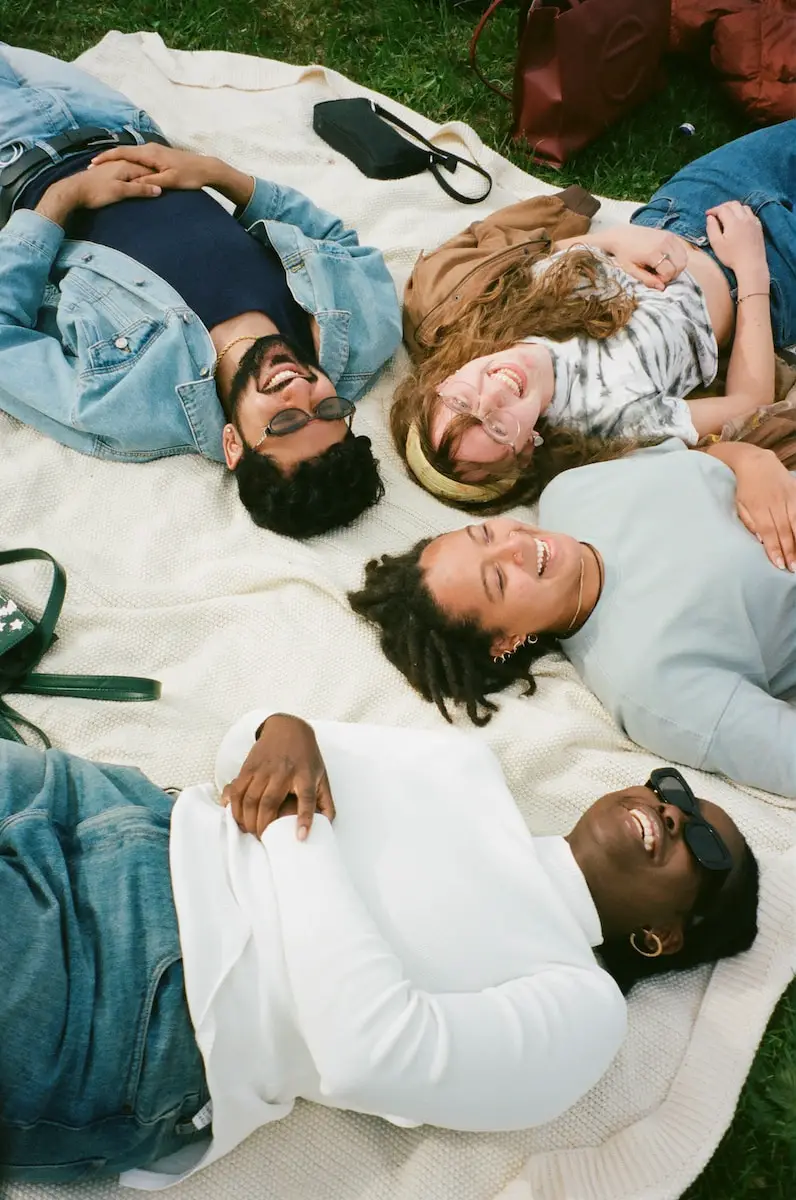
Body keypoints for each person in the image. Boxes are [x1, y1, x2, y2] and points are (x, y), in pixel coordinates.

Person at [0, 710, 758, 1186]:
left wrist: (295, 827)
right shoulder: (468, 769)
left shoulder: (584, 1011)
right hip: (117, 811)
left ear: (662, 939)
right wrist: (284, 726)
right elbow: (248, 753)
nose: (671, 809)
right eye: (674, 790)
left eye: (704, 845)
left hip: (151, 995)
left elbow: (370, 1051)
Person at [0, 45, 402, 537]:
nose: (301, 391)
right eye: (328, 410)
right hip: (117, 120)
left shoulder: (127, 408)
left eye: (286, 424)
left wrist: (62, 200)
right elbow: (336, 241)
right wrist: (219, 175)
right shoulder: (358, 333)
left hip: (15, 163)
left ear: (234, 445)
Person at [349, 435, 796, 797]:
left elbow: (704, 456)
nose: (515, 546)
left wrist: (755, 463)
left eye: (485, 533)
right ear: (506, 640)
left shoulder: (570, 492)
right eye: (498, 580)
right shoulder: (651, 685)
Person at [392, 121, 796, 512]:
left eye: (462, 401)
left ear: (441, 383)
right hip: (775, 268)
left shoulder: (482, 323)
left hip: (694, 204)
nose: (494, 395)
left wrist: (615, 239)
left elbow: (553, 251)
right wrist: (751, 270)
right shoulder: (611, 424)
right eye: (497, 428)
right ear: (528, 448)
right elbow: (749, 402)